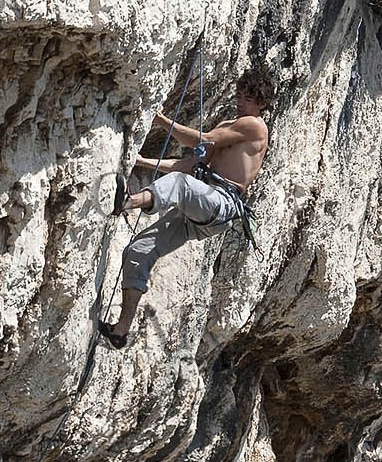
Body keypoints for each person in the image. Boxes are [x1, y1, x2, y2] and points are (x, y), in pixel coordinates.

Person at [98, 72, 272, 347]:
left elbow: (201, 143)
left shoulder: (254, 126)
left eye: (248, 99)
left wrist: (161, 121)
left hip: (221, 201)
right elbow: (191, 165)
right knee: (139, 249)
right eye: (239, 96)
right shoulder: (230, 126)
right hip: (205, 207)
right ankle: (121, 330)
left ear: (261, 103)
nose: (241, 103)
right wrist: (142, 161)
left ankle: (127, 203)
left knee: (179, 185)